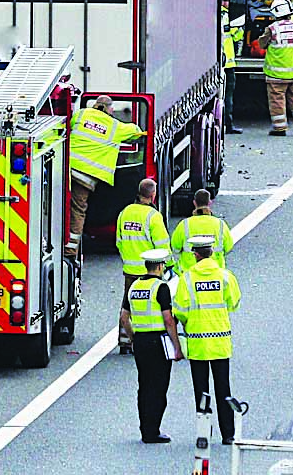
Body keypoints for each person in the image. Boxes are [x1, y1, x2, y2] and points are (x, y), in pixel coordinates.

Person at [174, 235, 242, 444]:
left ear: (195, 255)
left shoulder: (186, 279)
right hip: (220, 341)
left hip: (197, 343)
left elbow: (180, 310)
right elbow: (234, 302)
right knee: (224, 388)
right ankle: (228, 434)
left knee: (201, 390)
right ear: (211, 253)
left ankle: (204, 434)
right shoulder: (224, 276)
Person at [66, 95, 142, 258]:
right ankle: (70, 250)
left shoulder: (81, 114)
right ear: (110, 110)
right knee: (78, 211)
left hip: (65, 171)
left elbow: (69, 126)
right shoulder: (115, 126)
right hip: (84, 177)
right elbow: (136, 131)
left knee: (56, 207)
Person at [119, 248, 182, 444]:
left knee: (144, 386)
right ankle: (153, 430)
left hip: (141, 341)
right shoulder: (161, 288)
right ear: (161, 266)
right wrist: (177, 347)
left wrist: (132, 338)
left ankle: (145, 429)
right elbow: (168, 320)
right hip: (159, 343)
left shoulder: (134, 287)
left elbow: (124, 317)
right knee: (159, 386)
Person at [117, 178, 173, 351]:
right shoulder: (153, 216)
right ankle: (149, 338)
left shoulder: (125, 212)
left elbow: (119, 241)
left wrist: (127, 259)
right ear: (153, 195)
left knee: (128, 305)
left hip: (130, 270)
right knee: (151, 305)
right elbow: (163, 245)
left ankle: (125, 340)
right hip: (150, 271)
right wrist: (169, 265)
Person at [260, 0, 293, 136]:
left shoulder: (272, 29)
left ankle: (280, 128)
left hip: (276, 74)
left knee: (277, 101)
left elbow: (262, 44)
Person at [171, 189, 235, 270]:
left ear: (194, 203)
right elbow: (228, 247)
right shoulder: (220, 224)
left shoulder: (184, 224)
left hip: (190, 272)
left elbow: (175, 248)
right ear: (209, 203)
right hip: (215, 271)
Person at [221, 0, 244, 135]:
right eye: (227, 0)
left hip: (214, 61)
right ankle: (228, 124)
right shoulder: (228, 16)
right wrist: (240, 29)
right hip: (228, 63)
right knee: (227, 96)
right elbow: (236, 36)